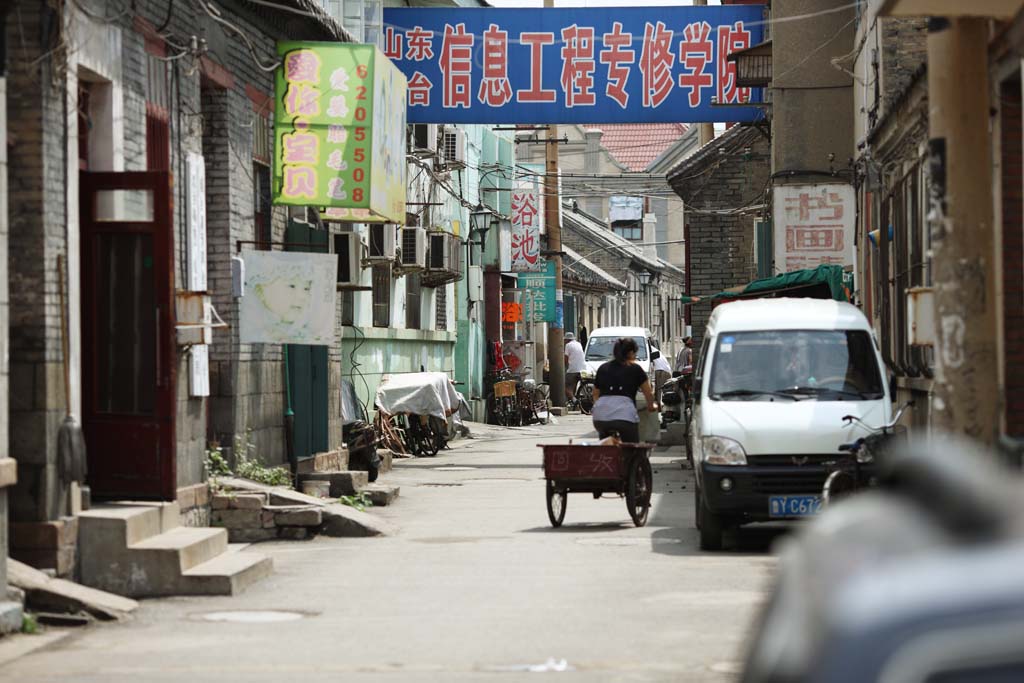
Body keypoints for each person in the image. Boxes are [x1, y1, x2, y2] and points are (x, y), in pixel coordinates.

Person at [591, 337, 658, 444]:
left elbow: (595, 394)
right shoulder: (635, 369)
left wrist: (598, 408)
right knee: (631, 447)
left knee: (606, 445)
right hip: (625, 417)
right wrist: (651, 406)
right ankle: (631, 458)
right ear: (631, 353)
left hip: (600, 418)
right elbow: (648, 393)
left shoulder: (603, 368)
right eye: (635, 353)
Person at [564, 332, 586, 403]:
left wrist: (565, 366)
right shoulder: (578, 344)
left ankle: (574, 400)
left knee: (564, 386)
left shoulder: (568, 345)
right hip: (582, 369)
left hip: (573, 369)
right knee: (573, 386)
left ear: (567, 340)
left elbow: (566, 358)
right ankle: (573, 401)